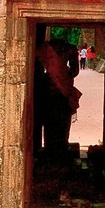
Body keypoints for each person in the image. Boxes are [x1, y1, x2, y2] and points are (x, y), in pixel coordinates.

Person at [33, 31, 82, 160]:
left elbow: (37, 67)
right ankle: (61, 148)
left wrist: (50, 78)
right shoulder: (69, 49)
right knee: (63, 124)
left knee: (49, 123)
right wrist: (65, 77)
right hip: (63, 92)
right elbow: (75, 71)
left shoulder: (45, 49)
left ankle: (50, 149)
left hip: (48, 91)